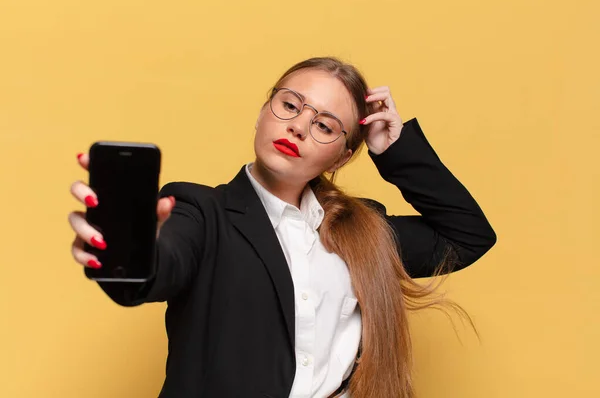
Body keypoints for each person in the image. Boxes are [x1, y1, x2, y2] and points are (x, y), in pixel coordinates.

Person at [68, 57, 496, 398]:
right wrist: (128, 247)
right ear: (262, 112)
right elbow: (162, 265)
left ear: (343, 157)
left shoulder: (362, 230)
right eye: (290, 105)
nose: (299, 126)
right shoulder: (201, 210)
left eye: (325, 125)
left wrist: (395, 150)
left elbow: (467, 235)